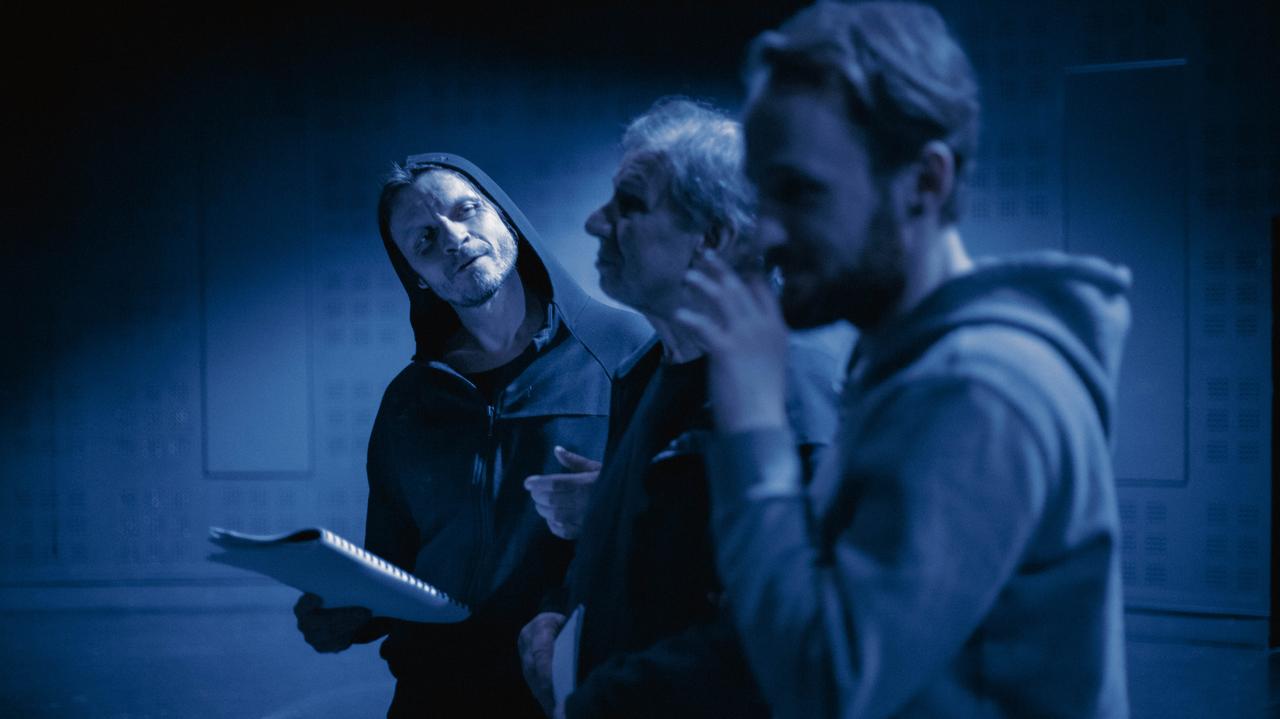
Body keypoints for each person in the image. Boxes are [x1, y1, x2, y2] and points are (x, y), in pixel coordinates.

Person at [674, 3, 1131, 718]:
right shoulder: (906, 366)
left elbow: (827, 687)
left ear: (925, 182)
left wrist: (755, 422)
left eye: (800, 191)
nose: (766, 232)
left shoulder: (978, 387)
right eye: (762, 193)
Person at [517, 98, 850, 718]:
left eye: (629, 205)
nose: (595, 223)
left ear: (713, 239)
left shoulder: (794, 384)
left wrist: (603, 702)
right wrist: (556, 614)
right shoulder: (647, 371)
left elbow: (789, 637)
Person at [293, 153, 650, 718]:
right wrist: (349, 612)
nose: (454, 238)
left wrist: (611, 502)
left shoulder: (623, 348)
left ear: (505, 217)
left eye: (467, 211)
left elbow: (683, 521)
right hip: (432, 698)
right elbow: (395, 561)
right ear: (416, 274)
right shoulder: (410, 400)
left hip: (569, 692)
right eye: (425, 239)